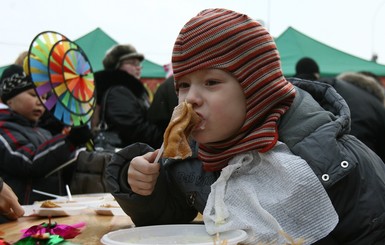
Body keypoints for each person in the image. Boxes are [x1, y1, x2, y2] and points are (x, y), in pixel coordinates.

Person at [106, 8, 385, 244]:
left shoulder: (337, 161)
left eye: (211, 82)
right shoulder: (188, 160)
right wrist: (144, 188)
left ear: (256, 89)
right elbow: (167, 221)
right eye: (183, 85)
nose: (190, 98)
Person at [0, 65, 92, 204]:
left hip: (48, 211)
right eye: (33, 95)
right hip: (20, 214)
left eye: (44, 97)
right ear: (9, 99)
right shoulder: (3, 129)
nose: (40, 102)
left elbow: (57, 166)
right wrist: (69, 141)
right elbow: (29, 162)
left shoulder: (43, 132)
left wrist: (80, 149)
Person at [92, 44, 163, 149]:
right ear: (117, 65)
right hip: (124, 155)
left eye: (139, 64)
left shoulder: (133, 91)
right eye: (133, 63)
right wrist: (164, 137)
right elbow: (133, 129)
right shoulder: (118, 91)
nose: (138, 67)